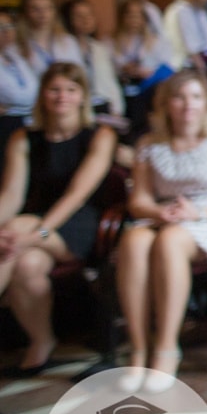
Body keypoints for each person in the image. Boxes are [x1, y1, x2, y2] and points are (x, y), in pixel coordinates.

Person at [117, 70, 207, 389]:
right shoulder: (150, 144)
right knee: (133, 240)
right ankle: (138, 348)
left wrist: (197, 212)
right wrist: (160, 211)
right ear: (166, 104)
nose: (187, 105)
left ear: (206, 103)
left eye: (195, 96)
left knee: (171, 240)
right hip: (164, 212)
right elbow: (140, 199)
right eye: (179, 97)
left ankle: (166, 346)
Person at [0, 63, 118, 372]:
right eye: (54, 90)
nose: (61, 97)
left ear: (82, 96)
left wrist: (34, 233)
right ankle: (42, 340)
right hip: (33, 223)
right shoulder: (24, 138)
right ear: (42, 95)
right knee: (27, 265)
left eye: (70, 90)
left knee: (14, 233)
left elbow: (76, 195)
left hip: (82, 223)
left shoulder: (99, 135)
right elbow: (11, 196)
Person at [111, 0, 175, 137]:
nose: (134, 19)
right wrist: (124, 69)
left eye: (138, 15)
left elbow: (165, 66)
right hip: (123, 85)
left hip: (148, 86)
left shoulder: (156, 41)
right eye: (130, 14)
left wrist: (146, 72)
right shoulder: (111, 41)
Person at [0, 12, 40, 165]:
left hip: (30, 119)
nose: (6, 31)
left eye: (10, 26)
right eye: (1, 27)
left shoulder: (16, 55)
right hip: (6, 125)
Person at [18, 0, 84, 75]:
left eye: (47, 8)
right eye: (35, 9)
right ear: (25, 13)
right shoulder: (18, 46)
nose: (42, 14)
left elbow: (79, 73)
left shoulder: (68, 41)